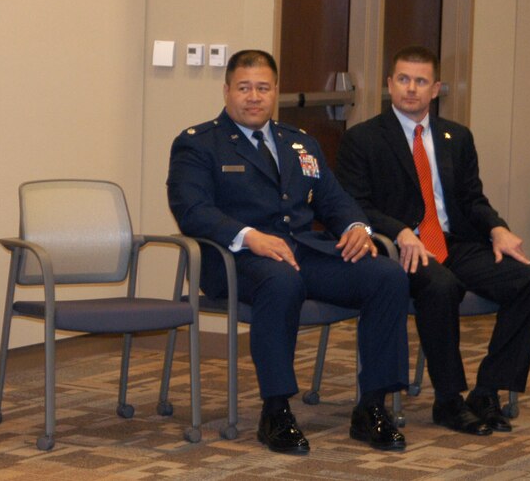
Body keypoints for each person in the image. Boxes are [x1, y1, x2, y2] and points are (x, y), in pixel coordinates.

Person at [167, 49, 409, 455]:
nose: (253, 97)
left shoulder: (299, 142)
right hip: (236, 261)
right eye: (244, 88)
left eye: (263, 88)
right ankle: (275, 410)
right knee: (282, 282)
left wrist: (355, 227)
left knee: (386, 275)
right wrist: (248, 235)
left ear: (275, 92)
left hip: (302, 252)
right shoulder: (199, 144)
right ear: (226, 91)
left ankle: (372, 407)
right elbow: (192, 211)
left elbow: (334, 198)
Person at [336, 45, 530, 436]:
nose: (411, 89)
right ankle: (448, 400)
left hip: (454, 243)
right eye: (403, 80)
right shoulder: (363, 139)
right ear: (389, 84)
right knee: (440, 287)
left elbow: (471, 199)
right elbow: (355, 205)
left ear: (436, 89)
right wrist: (399, 232)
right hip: (401, 248)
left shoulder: (457, 137)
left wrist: (497, 228)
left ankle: (486, 391)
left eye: (421, 82)